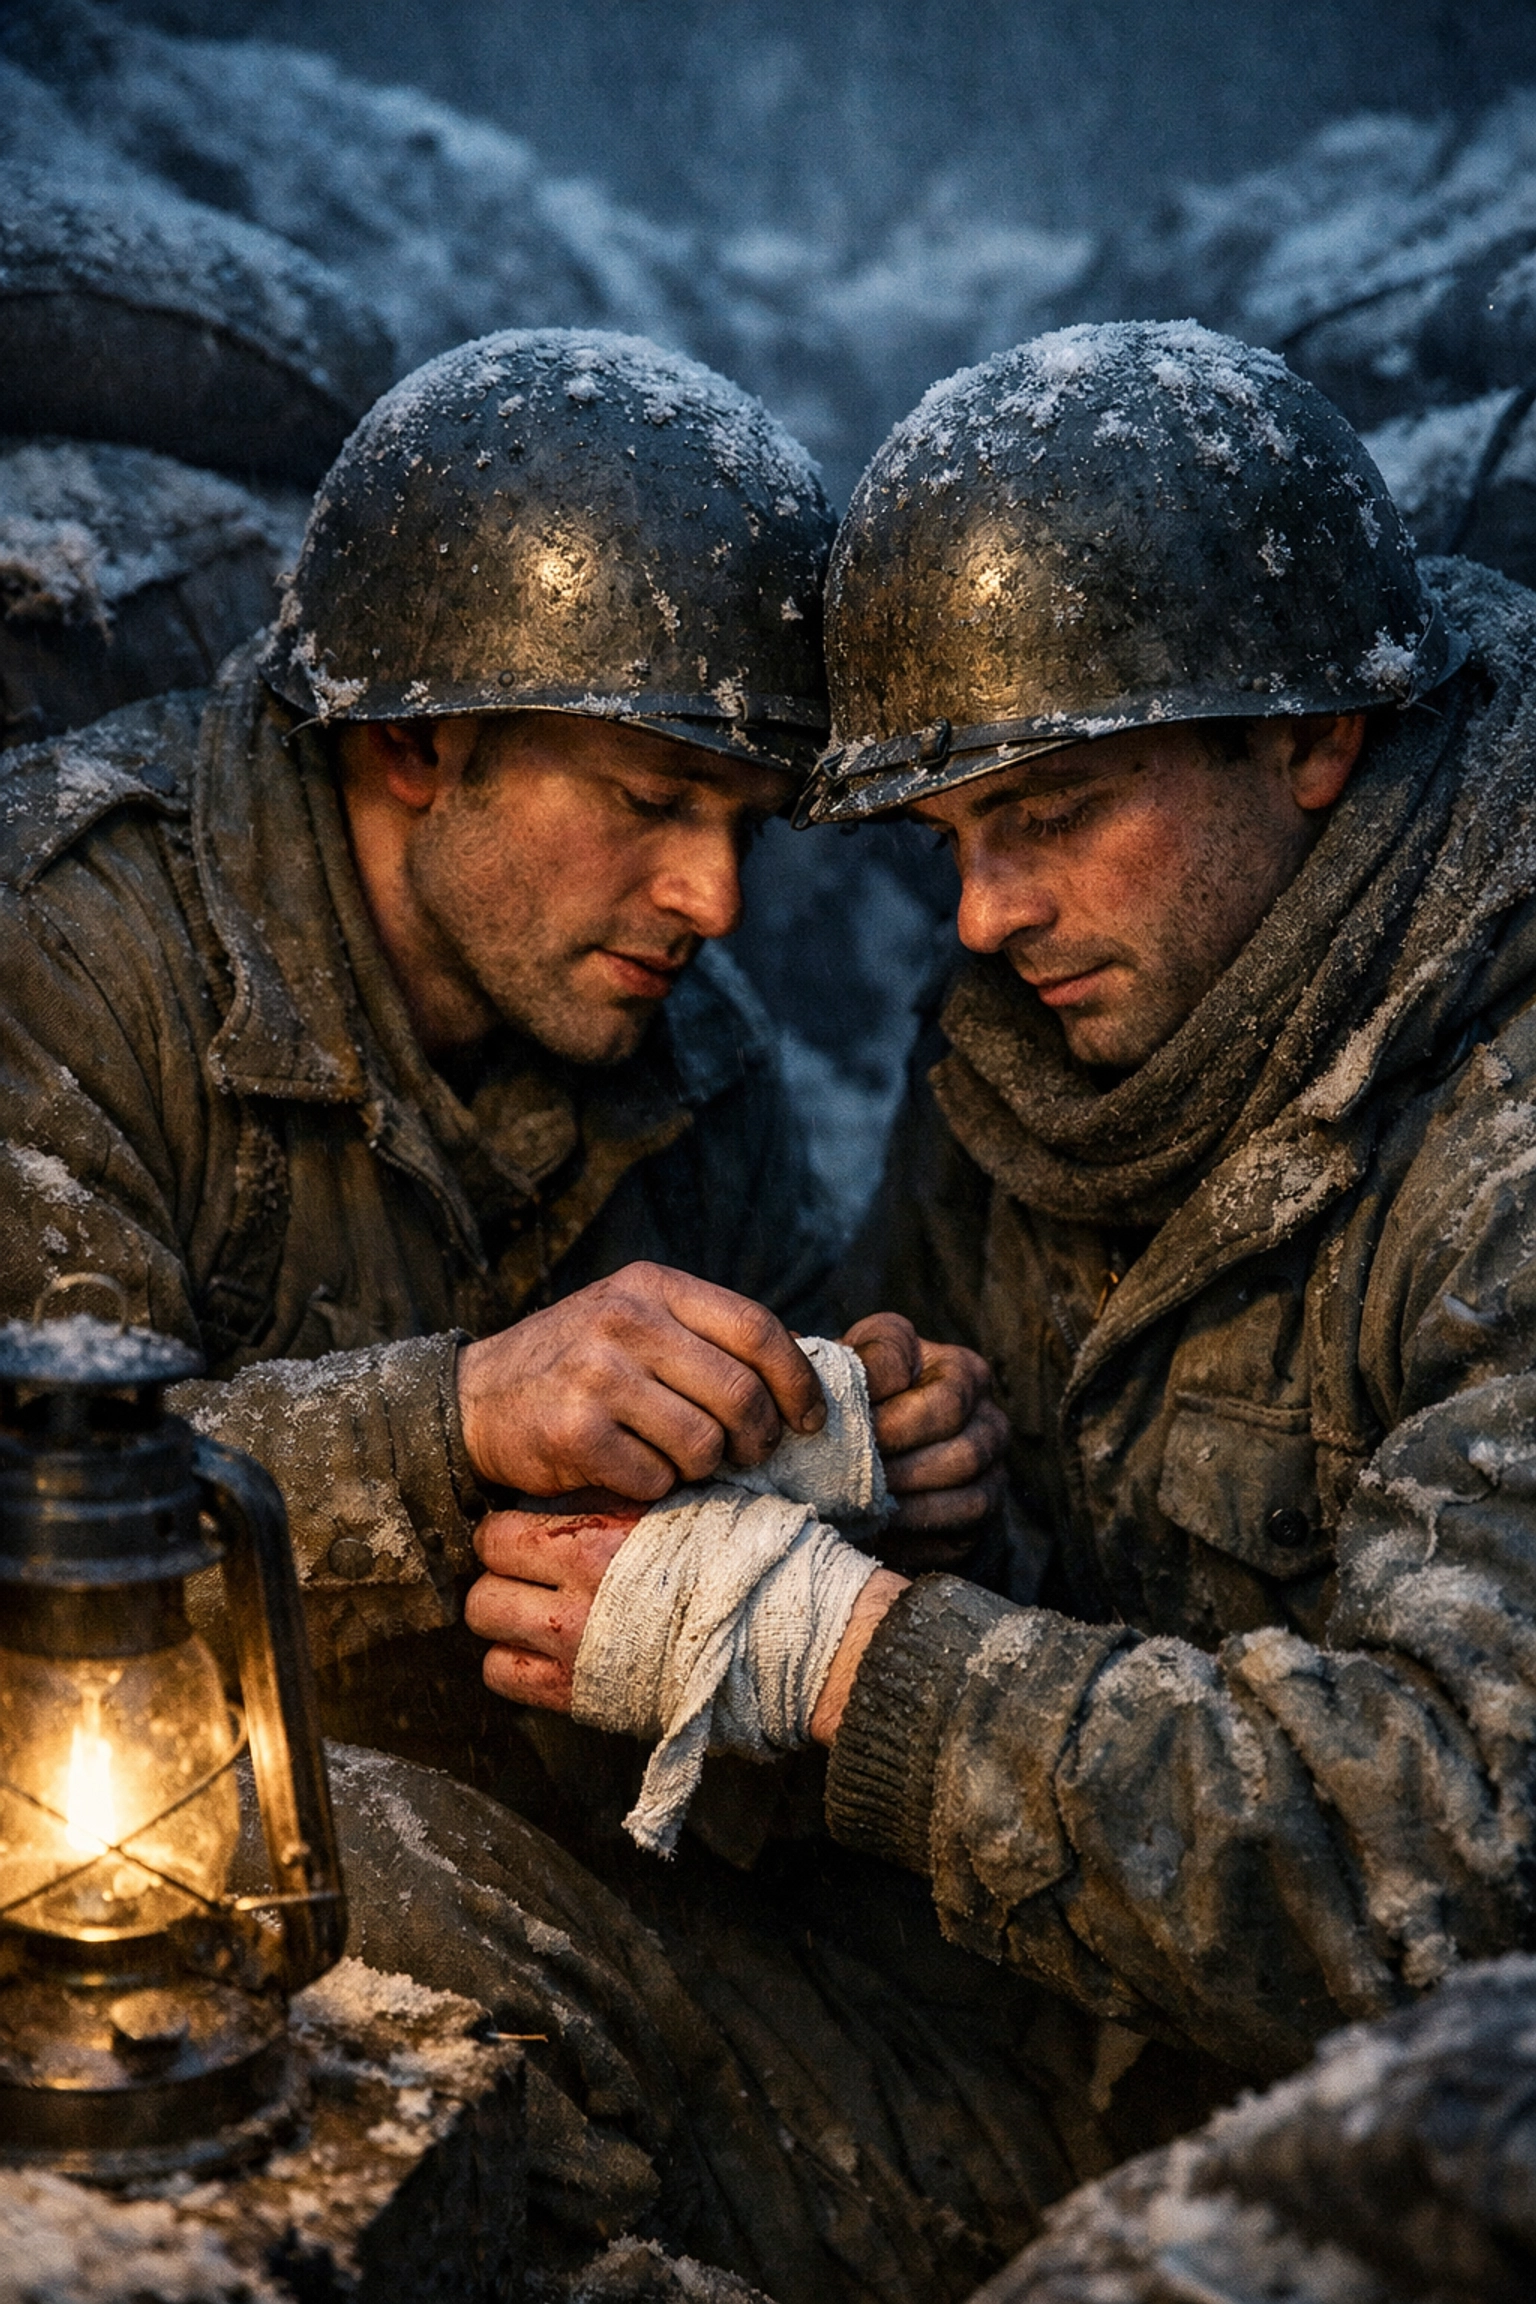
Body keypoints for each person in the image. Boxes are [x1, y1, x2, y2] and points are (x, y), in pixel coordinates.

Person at [0, 328, 1032, 2304]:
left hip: (583, 1923)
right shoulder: (67, 959)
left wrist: (883, 1474)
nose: (715, 898)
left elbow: (760, 1664)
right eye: (653, 802)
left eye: (745, 820)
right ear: (418, 743)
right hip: (180, 1948)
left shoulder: (685, 1053)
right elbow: (40, 1560)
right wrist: (460, 1418)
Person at [473, 320, 1536, 2228]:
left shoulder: (1501, 1140)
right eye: (958, 837)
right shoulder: (1020, 1069)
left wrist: (850, 1656)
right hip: (1043, 2042)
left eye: (1051, 816)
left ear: (1309, 736)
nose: (984, 913)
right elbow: (960, 1602)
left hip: (1412, 2161)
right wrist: (881, 1492)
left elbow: (1454, 1863)